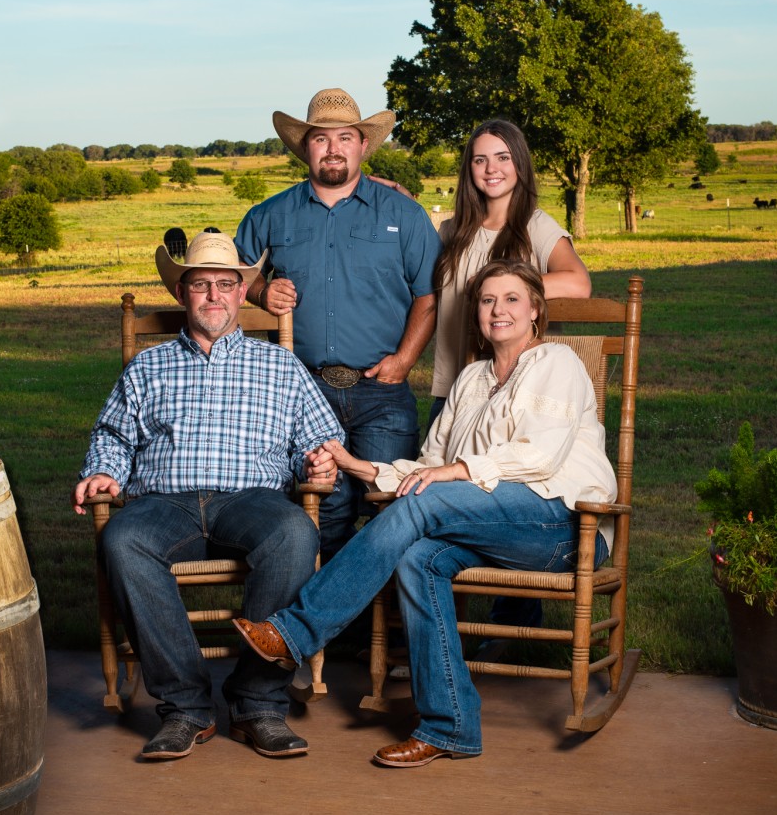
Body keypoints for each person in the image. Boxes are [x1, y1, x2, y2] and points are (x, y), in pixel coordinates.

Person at [231, 260, 617, 768]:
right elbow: (428, 469)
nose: (498, 310)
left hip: (562, 526)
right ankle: (450, 724)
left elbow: (539, 457)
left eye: (512, 299)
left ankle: (296, 632)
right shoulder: (472, 379)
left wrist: (453, 472)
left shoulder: (557, 363)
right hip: (488, 525)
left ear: (535, 311)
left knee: (423, 503)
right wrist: (356, 465)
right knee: (418, 558)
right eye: (487, 300)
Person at [73, 231, 343, 761]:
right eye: (201, 285)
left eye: (225, 284)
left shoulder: (282, 366)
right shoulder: (147, 367)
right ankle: (186, 707)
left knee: (295, 531)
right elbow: (113, 436)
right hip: (164, 504)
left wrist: (318, 461)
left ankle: (258, 704)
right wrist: (104, 471)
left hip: (251, 502)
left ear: (243, 293)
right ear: (182, 294)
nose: (214, 295)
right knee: (123, 540)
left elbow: (320, 439)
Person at [234, 88, 442, 560]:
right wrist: (261, 291)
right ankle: (327, 605)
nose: (333, 149)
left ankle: (382, 606)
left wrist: (404, 360)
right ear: (304, 148)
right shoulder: (269, 215)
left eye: (345, 137)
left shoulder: (404, 215)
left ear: (364, 145)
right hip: (304, 391)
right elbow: (231, 278)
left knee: (392, 506)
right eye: (321, 139)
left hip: (381, 391)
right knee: (324, 508)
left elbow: (429, 295)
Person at [431, 119, 593, 635]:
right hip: (457, 388)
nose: (492, 169)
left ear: (520, 165)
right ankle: (443, 632)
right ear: (468, 169)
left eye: (503, 157)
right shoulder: (452, 231)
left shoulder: (535, 227)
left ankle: (512, 629)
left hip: (515, 386)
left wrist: (505, 287)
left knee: (504, 496)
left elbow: (578, 283)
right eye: (480, 159)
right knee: (442, 507)